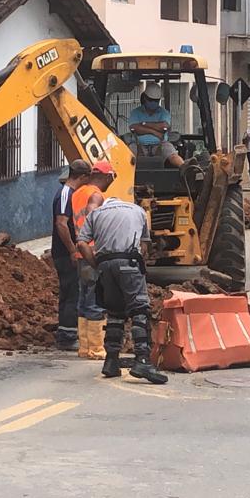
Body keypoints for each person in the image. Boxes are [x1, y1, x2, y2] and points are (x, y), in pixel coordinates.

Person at [77, 194, 168, 385]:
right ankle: (142, 359)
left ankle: (111, 361)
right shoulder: (138, 211)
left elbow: (82, 243)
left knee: (115, 312)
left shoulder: (96, 214)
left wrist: (95, 264)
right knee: (139, 310)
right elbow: (144, 246)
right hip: (128, 261)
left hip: (105, 265)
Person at [71, 160, 115, 359]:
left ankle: (84, 347)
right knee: (96, 300)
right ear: (106, 176)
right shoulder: (95, 195)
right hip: (92, 252)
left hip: (81, 253)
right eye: (111, 179)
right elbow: (91, 211)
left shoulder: (78, 192)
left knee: (84, 299)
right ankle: (96, 349)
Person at [51, 159, 92, 351]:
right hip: (64, 253)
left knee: (69, 291)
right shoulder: (66, 194)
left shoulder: (68, 193)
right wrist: (72, 251)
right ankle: (67, 337)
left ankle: (66, 332)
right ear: (82, 176)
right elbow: (61, 223)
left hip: (65, 252)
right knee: (71, 292)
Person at [127, 84, 184, 168]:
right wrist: (155, 132)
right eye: (150, 100)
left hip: (161, 144)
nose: (153, 103)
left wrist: (144, 124)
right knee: (127, 157)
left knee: (172, 154)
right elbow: (135, 128)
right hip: (137, 144)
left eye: (156, 100)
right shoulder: (135, 112)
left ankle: (185, 168)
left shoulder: (164, 113)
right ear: (145, 98)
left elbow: (164, 126)